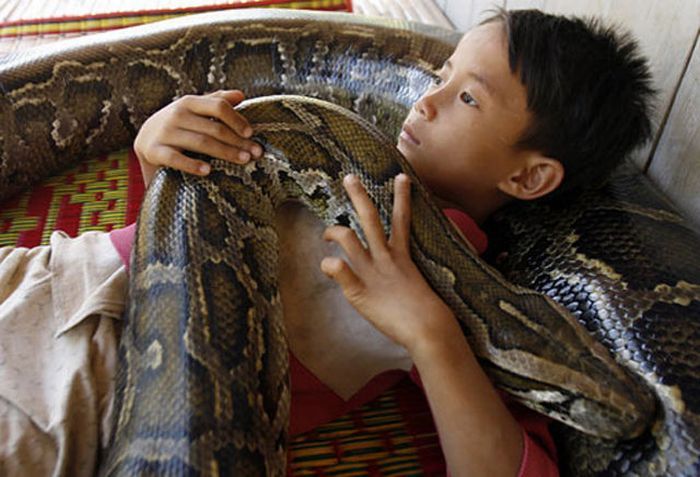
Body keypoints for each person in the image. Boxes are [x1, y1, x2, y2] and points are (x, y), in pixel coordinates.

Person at [0, 8, 654, 477]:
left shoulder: (469, 303)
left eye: (468, 100)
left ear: (530, 175)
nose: (425, 101)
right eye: (442, 77)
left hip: (87, 392)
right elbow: (175, 237)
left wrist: (432, 335)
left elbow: (503, 464)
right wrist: (160, 152)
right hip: (55, 273)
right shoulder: (338, 142)